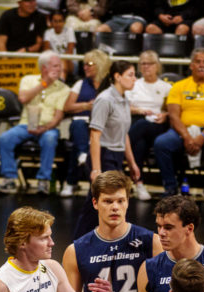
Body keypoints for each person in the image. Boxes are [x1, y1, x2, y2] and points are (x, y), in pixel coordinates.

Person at [70, 60, 142, 239]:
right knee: (99, 204)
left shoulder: (124, 99)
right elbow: (95, 135)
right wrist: (96, 169)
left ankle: (97, 242)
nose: (135, 79)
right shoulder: (105, 99)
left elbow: (123, 134)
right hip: (103, 154)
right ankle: (78, 245)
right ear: (117, 77)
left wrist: (132, 163)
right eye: (131, 75)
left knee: (106, 203)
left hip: (116, 155)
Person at [152, 48, 204, 202]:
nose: (201, 65)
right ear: (191, 65)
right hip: (182, 129)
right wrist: (187, 136)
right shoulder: (179, 86)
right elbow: (174, 116)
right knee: (161, 143)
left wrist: (201, 136)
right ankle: (170, 187)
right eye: (198, 62)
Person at [0, 50, 70, 195]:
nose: (59, 69)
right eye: (55, 66)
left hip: (48, 128)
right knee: (5, 138)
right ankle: (9, 179)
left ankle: (43, 181)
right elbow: (23, 99)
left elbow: (58, 117)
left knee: (50, 138)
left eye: (60, 66)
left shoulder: (64, 88)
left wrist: (45, 128)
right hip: (25, 125)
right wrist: (44, 83)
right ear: (44, 68)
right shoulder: (28, 80)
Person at [61, 48, 110, 197]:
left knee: (77, 146)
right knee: (78, 126)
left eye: (89, 64)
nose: (85, 67)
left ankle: (71, 182)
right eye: (84, 64)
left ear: (100, 64)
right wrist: (86, 106)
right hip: (82, 123)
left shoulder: (110, 85)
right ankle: (83, 155)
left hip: (103, 125)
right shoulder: (80, 83)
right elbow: (67, 107)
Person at [126, 50, 172, 201]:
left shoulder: (166, 87)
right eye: (143, 64)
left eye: (150, 63)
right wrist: (139, 110)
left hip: (157, 125)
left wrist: (165, 116)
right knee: (139, 144)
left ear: (157, 66)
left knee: (142, 125)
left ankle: (120, 148)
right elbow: (125, 106)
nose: (146, 67)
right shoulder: (134, 84)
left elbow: (171, 110)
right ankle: (139, 184)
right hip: (137, 119)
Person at [43, 10, 76, 81]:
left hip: (69, 62)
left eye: (60, 21)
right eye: (55, 21)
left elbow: (70, 52)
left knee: (63, 60)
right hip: (54, 61)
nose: (58, 24)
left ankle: (61, 82)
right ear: (51, 22)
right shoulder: (48, 32)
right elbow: (46, 51)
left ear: (64, 22)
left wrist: (58, 60)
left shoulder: (69, 31)